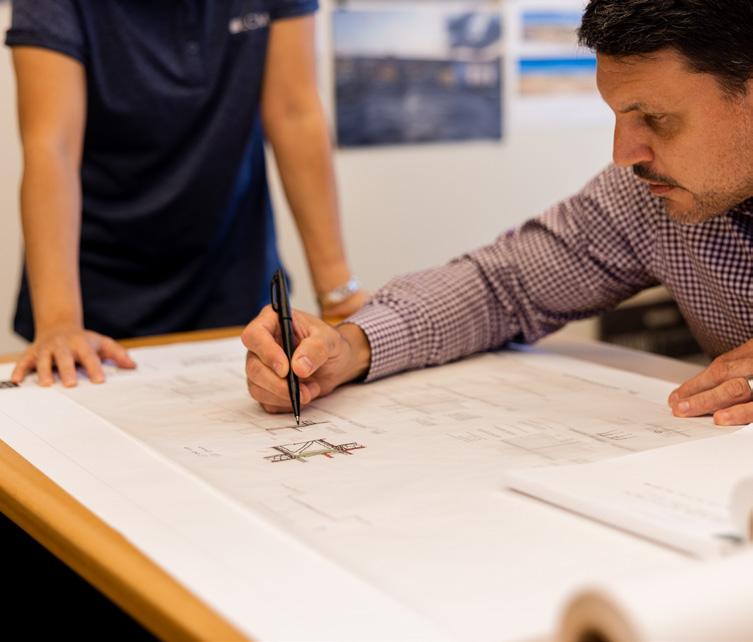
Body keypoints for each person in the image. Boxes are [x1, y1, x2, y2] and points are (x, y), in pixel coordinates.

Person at [243, 0, 753, 427]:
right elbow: (501, 286)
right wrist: (350, 347)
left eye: (657, 119)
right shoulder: (649, 196)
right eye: (619, 116)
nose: (624, 154)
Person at [7, 0, 364, 388]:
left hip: (233, 273)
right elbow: (53, 148)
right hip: (97, 291)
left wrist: (338, 293)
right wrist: (60, 322)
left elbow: (295, 113)